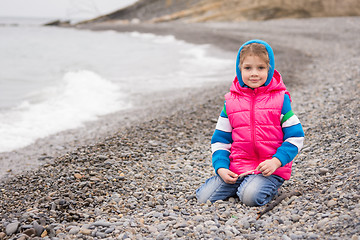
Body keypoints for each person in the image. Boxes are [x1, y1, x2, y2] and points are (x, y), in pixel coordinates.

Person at [196, 39, 305, 206]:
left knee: (249, 197)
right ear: (239, 70)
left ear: (270, 69)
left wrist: (276, 161)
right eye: (248, 68)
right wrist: (221, 168)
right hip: (237, 167)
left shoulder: (280, 100)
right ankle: (241, 183)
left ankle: (264, 186)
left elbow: (295, 137)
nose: (254, 73)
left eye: (260, 68)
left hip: (268, 169)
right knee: (203, 197)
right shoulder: (231, 102)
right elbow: (220, 140)